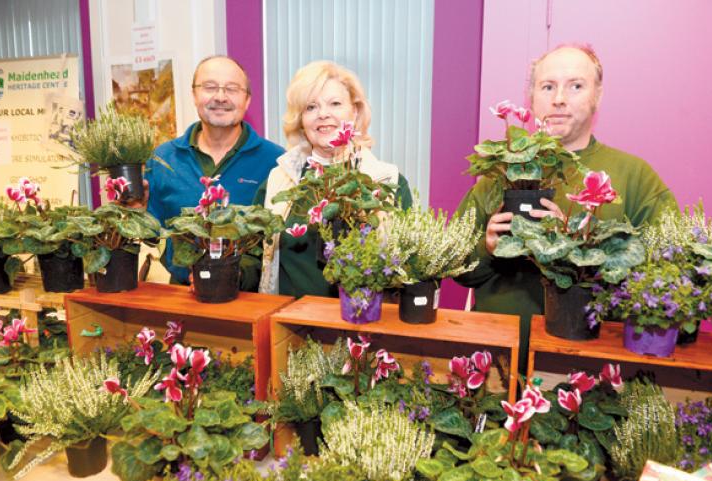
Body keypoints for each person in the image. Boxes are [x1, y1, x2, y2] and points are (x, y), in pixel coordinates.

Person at [455, 44, 678, 370]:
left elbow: (669, 274)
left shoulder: (634, 176)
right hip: (497, 359)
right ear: (531, 97)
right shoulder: (501, 172)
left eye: (575, 86)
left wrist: (573, 248)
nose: (559, 98)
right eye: (548, 87)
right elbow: (452, 267)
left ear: (597, 95)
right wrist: (486, 248)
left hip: (591, 365)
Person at [248, 60, 413, 297]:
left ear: (355, 111)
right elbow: (253, 255)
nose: (323, 114)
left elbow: (408, 266)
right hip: (287, 317)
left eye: (335, 103)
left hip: (359, 317)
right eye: (311, 107)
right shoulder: (278, 181)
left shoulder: (386, 181)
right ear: (301, 120)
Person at [143, 55, 284, 285]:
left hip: (250, 297)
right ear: (194, 95)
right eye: (209, 87)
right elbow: (150, 235)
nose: (220, 97)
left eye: (232, 89)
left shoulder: (276, 162)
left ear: (247, 100)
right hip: (180, 296)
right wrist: (132, 212)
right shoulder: (162, 159)